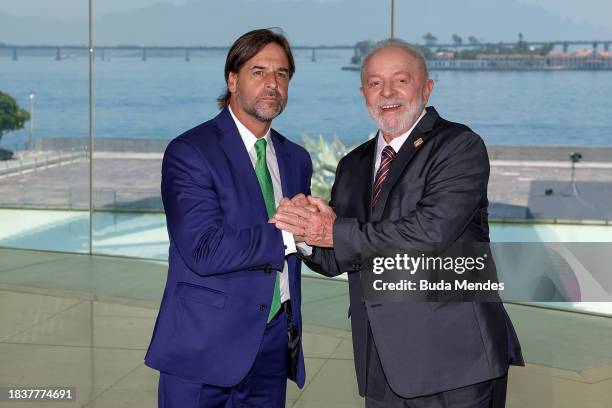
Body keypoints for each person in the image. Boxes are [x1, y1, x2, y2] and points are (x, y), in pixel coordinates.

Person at [272, 38, 524, 407]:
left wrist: (333, 231)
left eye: (400, 80)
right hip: (382, 364)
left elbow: (431, 231)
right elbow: (339, 254)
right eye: (375, 83)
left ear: (426, 87)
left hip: (456, 362)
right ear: (363, 94)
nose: (387, 92)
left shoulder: (459, 146)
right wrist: (306, 231)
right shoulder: (353, 165)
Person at [145, 28, 312, 408]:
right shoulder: (190, 152)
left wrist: (317, 232)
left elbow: (303, 243)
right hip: (203, 347)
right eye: (259, 71)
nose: (272, 84)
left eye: (282, 74)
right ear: (232, 79)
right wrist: (291, 235)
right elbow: (204, 248)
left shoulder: (296, 159)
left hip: (272, 343)